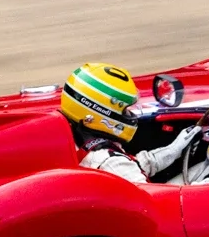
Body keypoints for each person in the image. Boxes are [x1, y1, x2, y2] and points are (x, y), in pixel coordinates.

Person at [61, 63, 198, 183]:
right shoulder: (112, 163)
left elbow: (134, 165)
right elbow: (158, 203)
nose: (130, 114)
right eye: (125, 110)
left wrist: (172, 150)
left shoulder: (77, 141)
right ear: (101, 112)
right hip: (161, 207)